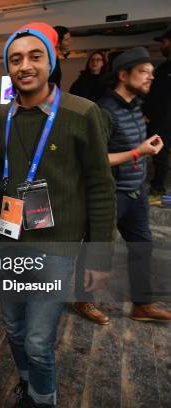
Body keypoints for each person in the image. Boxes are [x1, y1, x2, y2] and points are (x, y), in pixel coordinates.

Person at [0, 22, 115, 407]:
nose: (24, 65)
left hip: (56, 249)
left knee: (37, 340)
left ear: (52, 60)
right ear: (8, 68)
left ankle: (43, 399)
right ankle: (29, 385)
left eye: (35, 56)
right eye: (15, 59)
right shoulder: (2, 118)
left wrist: (98, 256)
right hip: (10, 245)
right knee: (14, 330)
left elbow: (101, 187)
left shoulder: (82, 113)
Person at [96, 47, 171, 322]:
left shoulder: (137, 106)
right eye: (144, 72)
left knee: (142, 247)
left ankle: (142, 305)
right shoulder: (105, 110)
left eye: (152, 72)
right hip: (112, 195)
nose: (150, 77)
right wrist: (139, 152)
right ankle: (84, 300)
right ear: (123, 74)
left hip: (136, 190)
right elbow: (96, 159)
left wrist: (148, 145)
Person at [143, 28, 171, 201]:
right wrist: (147, 112)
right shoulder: (162, 68)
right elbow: (153, 95)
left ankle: (158, 187)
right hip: (158, 120)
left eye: (164, 42)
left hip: (165, 119)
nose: (162, 45)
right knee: (159, 154)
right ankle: (157, 186)